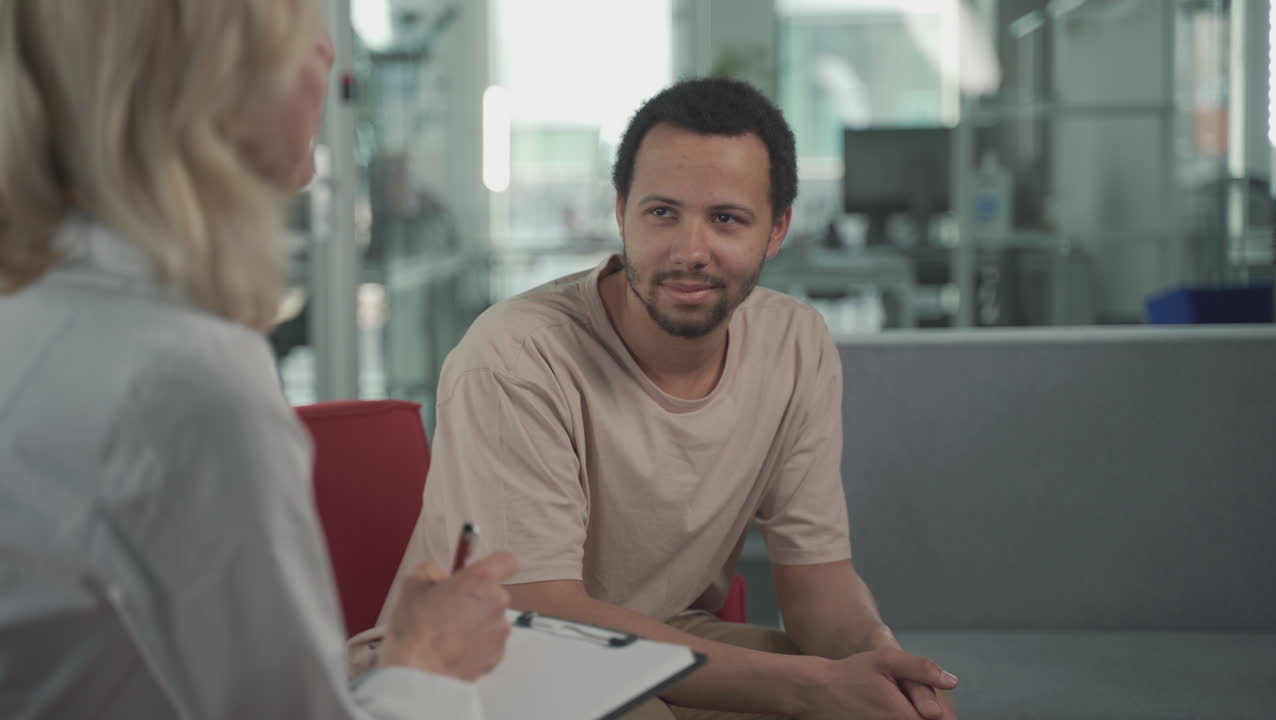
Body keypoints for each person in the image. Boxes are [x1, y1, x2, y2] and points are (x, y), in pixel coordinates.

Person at [379, 76, 960, 719]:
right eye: (662, 213)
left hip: (662, 632)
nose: (690, 251)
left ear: (777, 229)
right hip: (491, 660)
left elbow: (819, 583)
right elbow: (543, 616)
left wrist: (882, 664)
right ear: (621, 210)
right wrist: (816, 687)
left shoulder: (795, 343)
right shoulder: (515, 358)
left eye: (726, 219)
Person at [0, 2, 515, 717]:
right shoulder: (180, 378)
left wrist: (338, 665)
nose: (332, 57)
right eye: (303, 25)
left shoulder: (48, 307)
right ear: (209, 79)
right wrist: (430, 665)